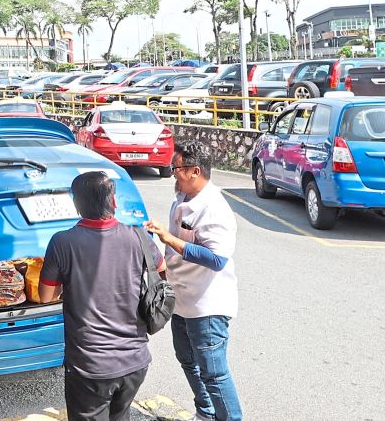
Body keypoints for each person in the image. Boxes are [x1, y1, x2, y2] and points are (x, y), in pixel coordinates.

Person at [39, 171, 165, 421]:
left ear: (76, 205)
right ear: (114, 201)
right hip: (135, 361)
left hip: (91, 366)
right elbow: (161, 272)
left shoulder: (62, 242)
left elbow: (46, 295)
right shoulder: (139, 236)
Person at [146, 146, 243, 421]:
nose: (172, 175)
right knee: (188, 360)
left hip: (207, 305)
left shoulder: (214, 208)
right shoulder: (182, 198)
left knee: (214, 372)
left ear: (194, 171)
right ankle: (206, 412)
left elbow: (217, 259)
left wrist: (169, 239)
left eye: (176, 169)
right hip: (181, 298)